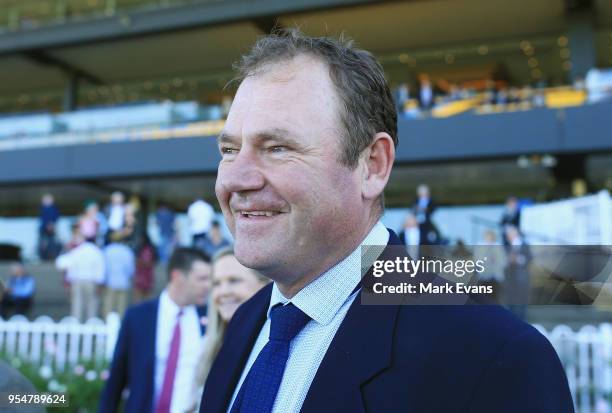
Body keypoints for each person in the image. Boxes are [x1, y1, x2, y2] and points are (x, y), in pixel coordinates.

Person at [200, 30, 573, 413]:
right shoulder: (245, 322)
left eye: (277, 148)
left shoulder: (494, 357)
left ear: (372, 166)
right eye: (229, 150)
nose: (235, 179)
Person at [100, 247, 211, 413]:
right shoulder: (138, 317)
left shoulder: (210, 320)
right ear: (178, 277)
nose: (208, 286)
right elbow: (116, 379)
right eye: (202, 279)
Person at [187, 247, 269, 412]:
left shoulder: (271, 346)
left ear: (264, 285)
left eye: (234, 281)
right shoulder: (206, 346)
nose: (223, 292)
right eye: (216, 284)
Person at [55, 235, 105, 322]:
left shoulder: (77, 250)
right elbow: (100, 268)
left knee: (77, 304)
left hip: (77, 281)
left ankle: (76, 325)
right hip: (91, 281)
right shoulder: (96, 251)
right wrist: (100, 283)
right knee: (92, 305)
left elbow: (62, 264)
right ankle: (91, 326)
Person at [102, 240, 135, 318]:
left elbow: (104, 268)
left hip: (110, 283)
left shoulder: (107, 250)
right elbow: (131, 270)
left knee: (108, 309)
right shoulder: (127, 251)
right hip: (123, 283)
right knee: (122, 310)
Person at [133, 234, 157, 303]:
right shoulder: (143, 249)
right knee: (139, 300)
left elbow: (147, 263)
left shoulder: (147, 250)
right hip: (143, 277)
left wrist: (138, 262)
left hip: (145, 277)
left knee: (143, 300)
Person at [38, 193, 61, 260]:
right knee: (43, 244)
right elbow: (43, 219)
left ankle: (53, 256)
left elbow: (55, 218)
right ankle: (43, 256)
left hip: (52, 229)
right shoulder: (43, 209)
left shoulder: (53, 209)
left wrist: (51, 225)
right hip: (44, 230)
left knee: (53, 243)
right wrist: (47, 225)